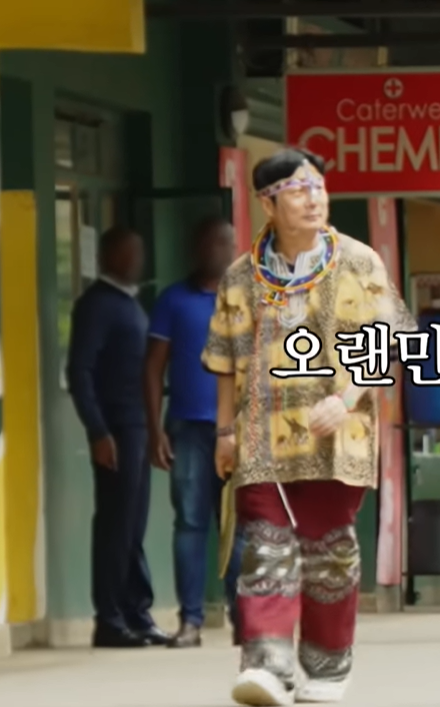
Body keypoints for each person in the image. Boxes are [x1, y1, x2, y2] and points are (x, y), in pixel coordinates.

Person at [202, 147, 416, 706]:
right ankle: (267, 665)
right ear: (268, 203)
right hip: (261, 438)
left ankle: (327, 664)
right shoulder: (240, 276)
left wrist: (346, 399)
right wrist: (224, 433)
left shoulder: (360, 262)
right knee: (266, 548)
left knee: (328, 553)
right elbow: (225, 359)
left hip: (337, 439)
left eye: (318, 186)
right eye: (298, 190)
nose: (314, 198)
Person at [144, 216, 244, 648]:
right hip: (186, 428)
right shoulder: (173, 300)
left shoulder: (247, 299)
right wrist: (155, 430)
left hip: (237, 431)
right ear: (196, 249)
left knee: (238, 527)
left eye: (226, 243)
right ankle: (191, 621)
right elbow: (152, 368)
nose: (219, 251)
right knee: (189, 523)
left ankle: (245, 619)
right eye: (211, 243)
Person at [68, 226, 169, 649]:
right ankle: (109, 620)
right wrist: (98, 431)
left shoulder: (130, 303)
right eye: (129, 252)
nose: (137, 260)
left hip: (138, 427)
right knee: (115, 525)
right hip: (115, 430)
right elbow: (79, 371)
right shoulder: (96, 305)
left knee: (133, 525)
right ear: (108, 256)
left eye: (139, 251)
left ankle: (136, 612)